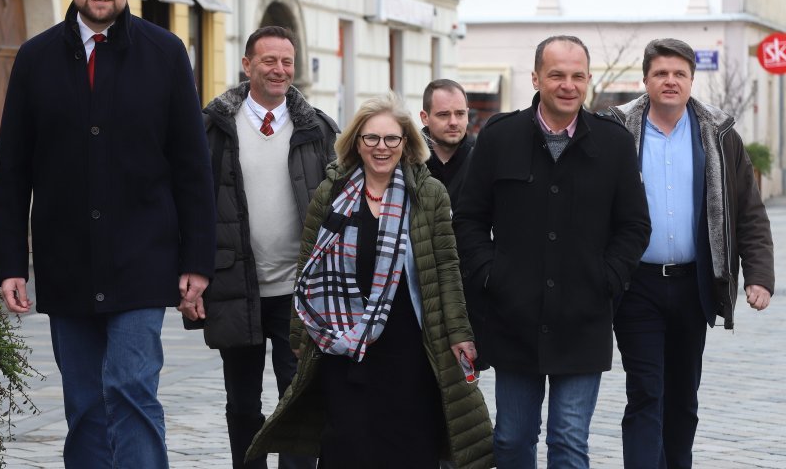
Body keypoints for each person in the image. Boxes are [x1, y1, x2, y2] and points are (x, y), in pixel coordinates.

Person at [0, 0, 215, 468]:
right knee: (85, 403)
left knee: (131, 386)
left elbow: (192, 166)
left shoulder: (165, 53)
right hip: (64, 258)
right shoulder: (35, 57)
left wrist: (197, 262)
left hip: (142, 256)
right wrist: (8, 265)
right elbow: (12, 168)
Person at [246, 93, 494, 468]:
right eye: (371, 138)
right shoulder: (331, 192)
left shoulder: (428, 194)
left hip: (409, 348)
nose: (382, 147)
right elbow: (307, 266)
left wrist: (460, 333)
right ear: (355, 143)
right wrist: (299, 335)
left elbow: (446, 268)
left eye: (391, 138)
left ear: (407, 143)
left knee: (407, 447)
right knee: (348, 446)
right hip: (342, 348)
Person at [454, 35, 651, 468]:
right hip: (513, 317)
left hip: (583, 318)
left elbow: (635, 226)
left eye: (577, 75)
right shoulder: (499, 136)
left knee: (567, 441)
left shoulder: (613, 144)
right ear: (536, 78)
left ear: (588, 80)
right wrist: (491, 274)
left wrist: (608, 278)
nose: (568, 85)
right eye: (557, 74)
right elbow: (468, 219)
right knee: (511, 439)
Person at [607, 38, 775, 468]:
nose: (670, 81)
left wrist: (758, 274)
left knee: (683, 396)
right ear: (645, 79)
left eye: (679, 74)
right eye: (661, 73)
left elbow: (749, 212)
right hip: (636, 285)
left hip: (692, 285)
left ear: (691, 80)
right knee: (646, 390)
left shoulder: (718, 137)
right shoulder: (615, 133)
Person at [197, 26, 337, 469]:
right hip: (235, 287)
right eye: (269, 61)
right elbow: (190, 204)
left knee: (298, 397)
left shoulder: (318, 128)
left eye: (287, 62)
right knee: (242, 401)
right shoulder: (212, 127)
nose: (280, 70)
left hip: (300, 292)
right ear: (247, 66)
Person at [420, 78, 474, 209]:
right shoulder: (407, 159)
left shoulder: (484, 157)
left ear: (467, 114)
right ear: (425, 118)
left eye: (460, 114)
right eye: (443, 114)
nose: (453, 122)